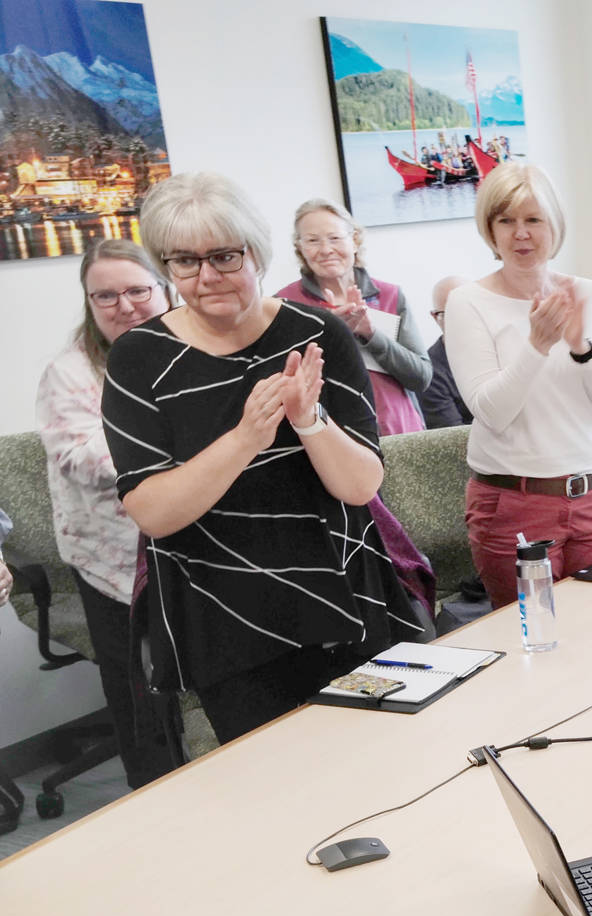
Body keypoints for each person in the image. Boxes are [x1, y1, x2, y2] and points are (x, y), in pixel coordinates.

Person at [100, 172, 426, 742]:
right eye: (183, 262)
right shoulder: (138, 359)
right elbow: (153, 511)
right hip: (224, 613)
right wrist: (247, 436)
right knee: (277, 791)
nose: (206, 277)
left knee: (392, 760)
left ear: (257, 253)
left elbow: (360, 484)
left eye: (225, 257)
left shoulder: (316, 331)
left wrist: (308, 420)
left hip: (345, 589)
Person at [442, 162, 592, 608]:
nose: (521, 234)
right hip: (514, 505)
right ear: (489, 230)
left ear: (554, 226)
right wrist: (537, 345)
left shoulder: (588, 293)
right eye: (506, 221)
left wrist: (582, 350)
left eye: (533, 220)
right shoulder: (467, 302)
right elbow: (491, 411)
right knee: (532, 643)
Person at [35, 239, 185, 787]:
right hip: (114, 556)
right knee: (139, 693)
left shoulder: (193, 341)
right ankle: (156, 798)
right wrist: (178, 444)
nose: (124, 305)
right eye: (106, 296)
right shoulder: (71, 370)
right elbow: (77, 455)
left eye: (137, 290)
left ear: (163, 288)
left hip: (194, 538)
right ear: (88, 303)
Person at [274, 198, 432, 437]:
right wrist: (330, 334)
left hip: (400, 436)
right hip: (331, 441)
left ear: (355, 240)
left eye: (335, 238)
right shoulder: (284, 304)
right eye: (312, 240)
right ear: (300, 248)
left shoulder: (390, 295)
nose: (326, 250)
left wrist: (371, 333)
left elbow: (421, 377)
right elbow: (279, 387)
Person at [420, 275, 473, 429]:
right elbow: (453, 440)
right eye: (449, 313)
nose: (461, 319)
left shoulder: (503, 348)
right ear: (435, 317)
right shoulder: (431, 374)